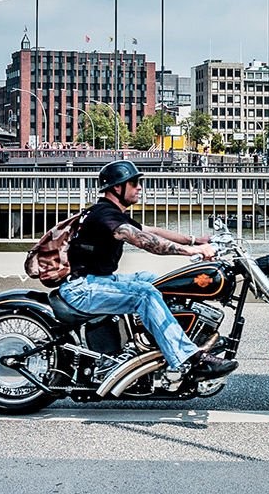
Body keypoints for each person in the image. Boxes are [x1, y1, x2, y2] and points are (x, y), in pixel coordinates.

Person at [59, 160, 238, 379]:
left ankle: (156, 341)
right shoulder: (104, 215)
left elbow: (151, 231)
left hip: (101, 280)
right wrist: (189, 252)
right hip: (83, 287)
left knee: (154, 281)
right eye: (134, 183)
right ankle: (188, 358)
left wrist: (196, 240)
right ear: (117, 187)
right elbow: (143, 240)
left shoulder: (112, 213)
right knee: (145, 293)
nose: (139, 188)